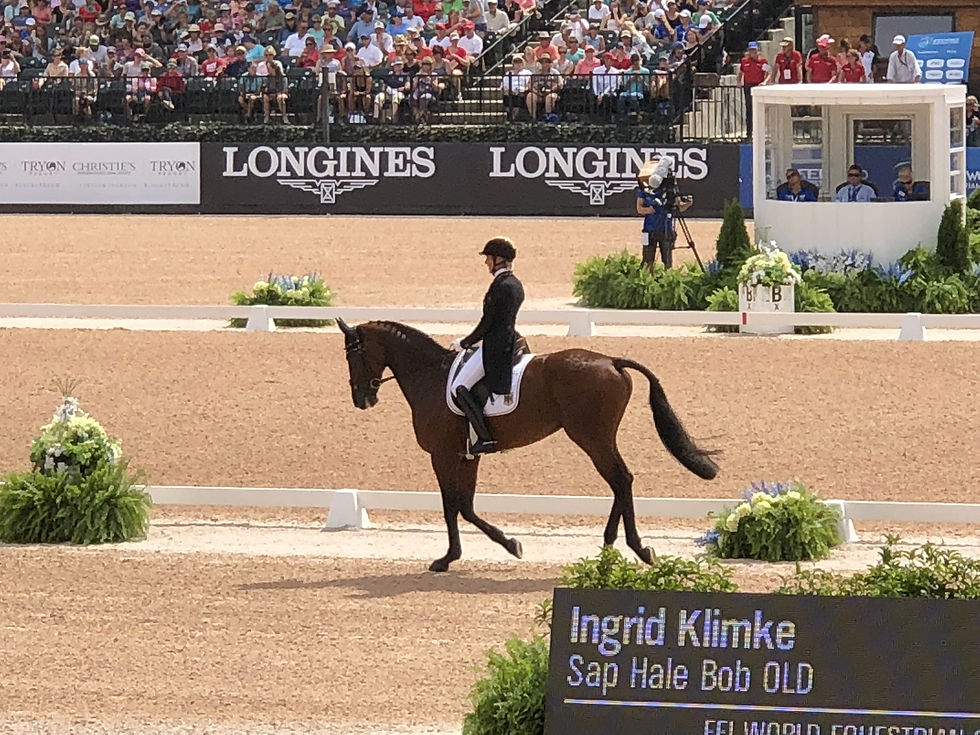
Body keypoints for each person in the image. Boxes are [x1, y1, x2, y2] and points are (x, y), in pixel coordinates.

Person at [448, 237, 525, 458]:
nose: (486, 263)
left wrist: (465, 342)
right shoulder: (516, 284)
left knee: (459, 387)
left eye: (488, 258)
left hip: (495, 346)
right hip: (509, 339)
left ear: (498, 260)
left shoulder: (501, 287)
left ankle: (484, 436)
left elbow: (488, 323)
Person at [635, 154, 691, 270]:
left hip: (666, 229)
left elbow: (679, 207)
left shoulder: (670, 187)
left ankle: (667, 282)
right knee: (647, 261)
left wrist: (688, 203)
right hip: (649, 229)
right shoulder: (645, 187)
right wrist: (648, 210)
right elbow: (639, 209)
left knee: (667, 262)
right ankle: (647, 282)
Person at [736, 41, 767, 136]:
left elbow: (769, 72)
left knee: (760, 108)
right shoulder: (744, 61)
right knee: (749, 108)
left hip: (758, 86)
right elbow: (741, 73)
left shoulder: (763, 61)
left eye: (754, 50)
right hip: (748, 85)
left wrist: (765, 82)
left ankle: (760, 132)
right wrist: (739, 81)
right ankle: (749, 132)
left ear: (758, 50)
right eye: (750, 50)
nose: (752, 52)